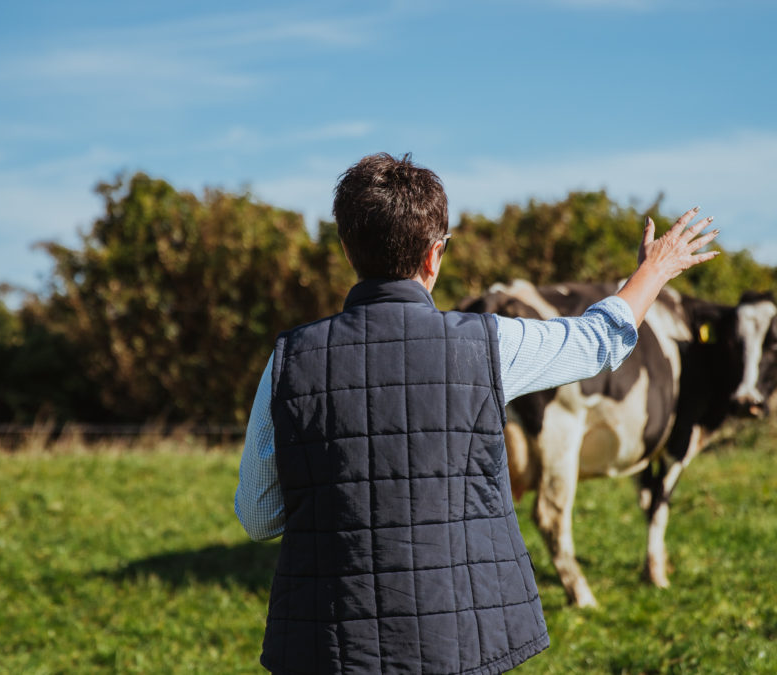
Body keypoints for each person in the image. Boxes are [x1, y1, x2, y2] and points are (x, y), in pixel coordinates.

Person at [235, 152, 719, 674]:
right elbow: (597, 341)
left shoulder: (287, 359)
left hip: (324, 649)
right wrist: (655, 269)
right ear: (434, 256)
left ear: (348, 249)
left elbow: (259, 516)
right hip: (458, 643)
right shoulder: (489, 344)